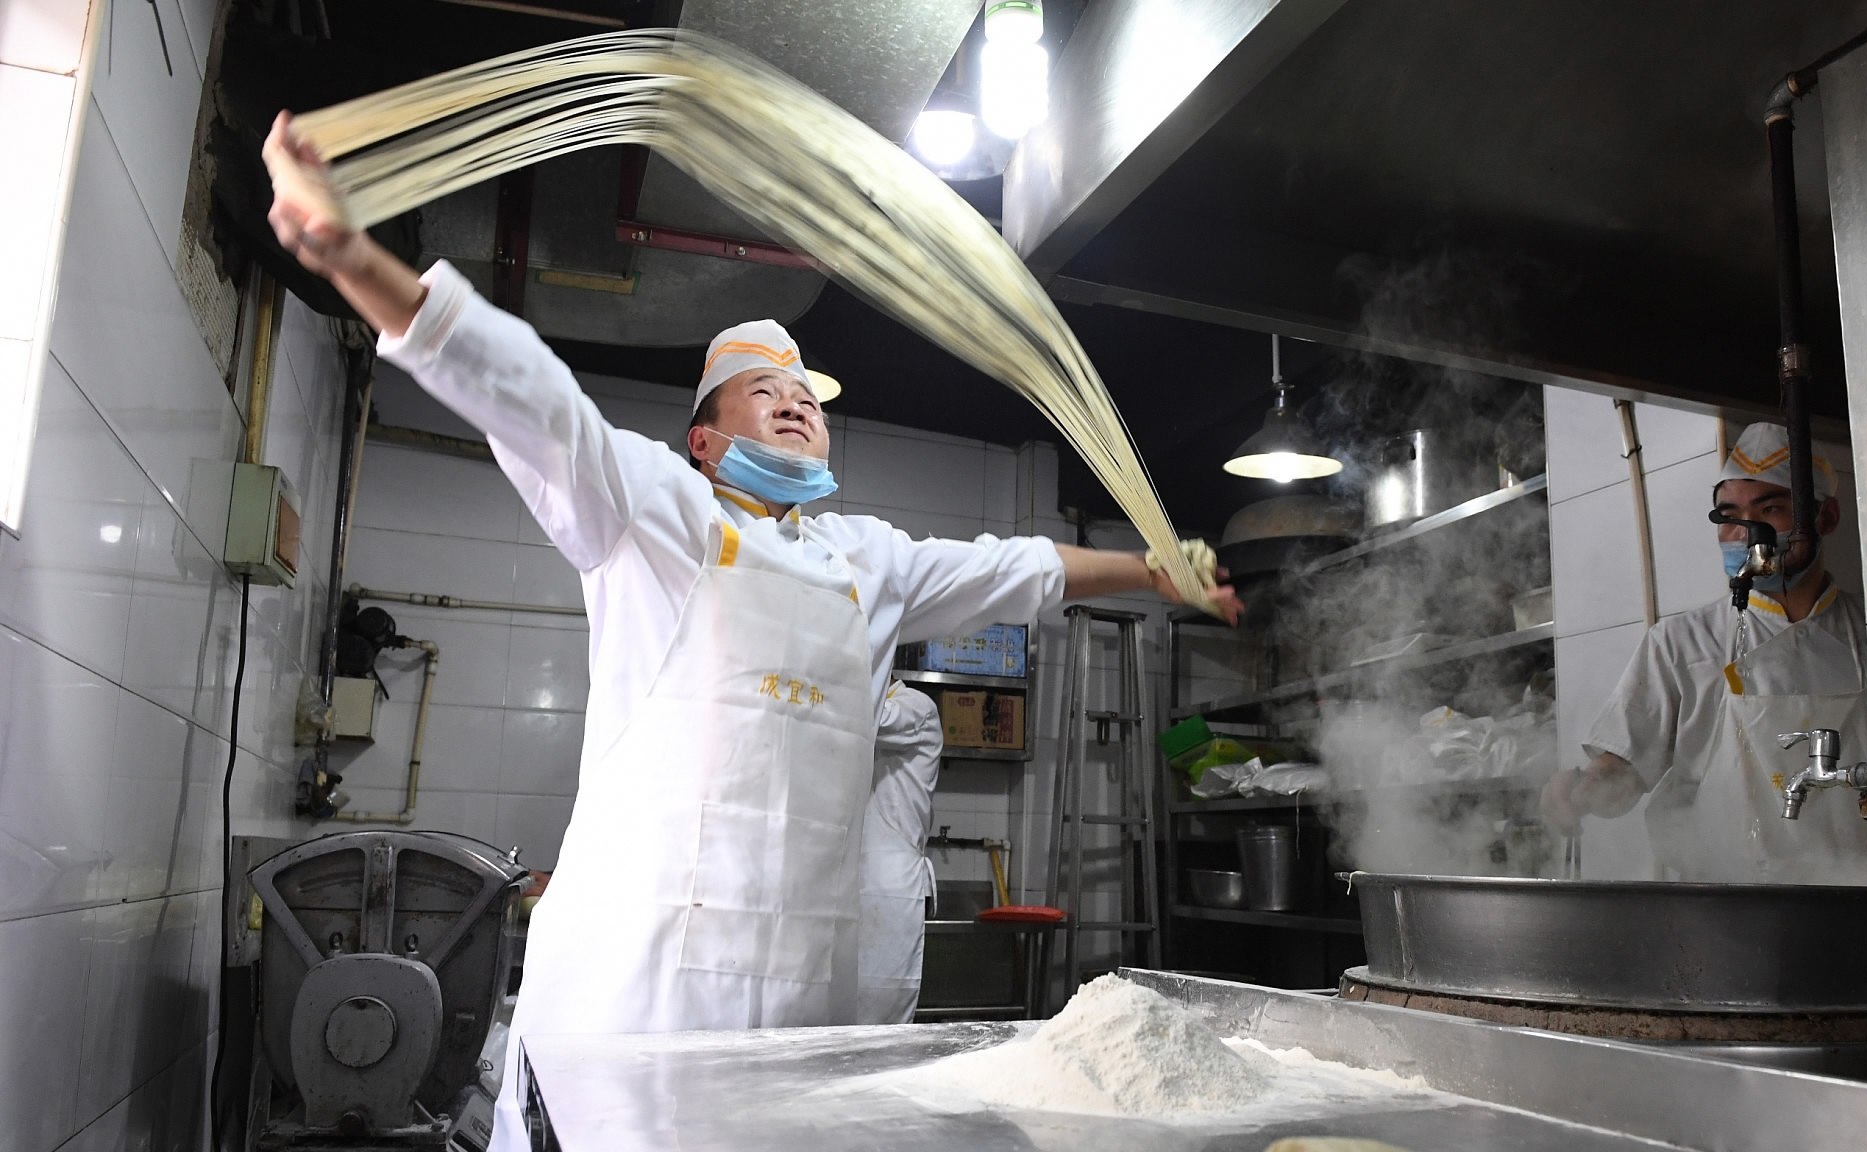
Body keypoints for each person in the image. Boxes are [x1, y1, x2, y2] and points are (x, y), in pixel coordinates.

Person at [262, 114, 1241, 1147]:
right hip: (635, 1001)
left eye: (806, 396)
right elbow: (533, 403)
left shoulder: (867, 560)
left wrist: (1151, 571)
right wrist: (355, 260)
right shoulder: (657, 514)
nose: (794, 404)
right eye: (762, 391)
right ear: (703, 439)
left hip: (796, 1015)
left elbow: (1016, 567)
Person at [1540, 422, 1867, 885]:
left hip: (1862, 895)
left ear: (1827, 517)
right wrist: (1580, 790)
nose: (1746, 532)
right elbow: (1622, 774)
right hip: (1726, 903)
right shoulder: (1681, 643)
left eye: (1771, 509)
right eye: (1729, 515)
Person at [855, 682, 944, 1025]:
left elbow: (870, 720)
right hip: (856, 882)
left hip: (891, 886)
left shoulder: (916, 706)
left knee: (880, 1013)